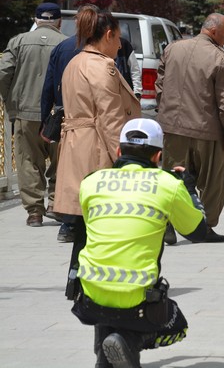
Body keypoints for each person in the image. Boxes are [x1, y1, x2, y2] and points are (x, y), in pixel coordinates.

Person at [70, 118, 207, 368]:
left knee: (109, 302)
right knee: (177, 324)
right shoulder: (168, 185)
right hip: (137, 299)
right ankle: (130, 340)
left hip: (89, 295)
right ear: (158, 156)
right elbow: (198, 231)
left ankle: (107, 354)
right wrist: (187, 187)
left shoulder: (91, 182)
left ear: (119, 151)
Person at [55, 5, 141, 297]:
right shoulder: (102, 66)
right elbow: (111, 118)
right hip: (96, 150)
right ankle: (92, 282)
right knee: (102, 222)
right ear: (108, 35)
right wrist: (125, 158)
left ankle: (75, 280)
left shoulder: (75, 63)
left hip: (77, 146)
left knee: (84, 222)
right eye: (118, 38)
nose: (119, 45)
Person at [155, 13, 224, 243]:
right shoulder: (220, 58)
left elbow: (159, 86)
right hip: (206, 130)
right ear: (213, 31)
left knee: (171, 179)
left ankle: (166, 226)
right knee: (211, 181)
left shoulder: (172, 49)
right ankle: (206, 227)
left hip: (172, 128)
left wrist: (167, 113)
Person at [0, 2, 66, 228]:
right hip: (59, 114)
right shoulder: (67, 44)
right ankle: (56, 204)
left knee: (28, 161)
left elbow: (3, 72)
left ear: (36, 20)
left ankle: (34, 212)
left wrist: (11, 101)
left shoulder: (17, 41)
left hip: (26, 112)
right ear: (59, 21)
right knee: (61, 160)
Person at [41, 5, 87, 242]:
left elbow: (48, 86)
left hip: (66, 118)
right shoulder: (104, 50)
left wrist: (44, 120)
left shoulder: (63, 47)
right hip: (93, 121)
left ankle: (67, 223)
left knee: (67, 172)